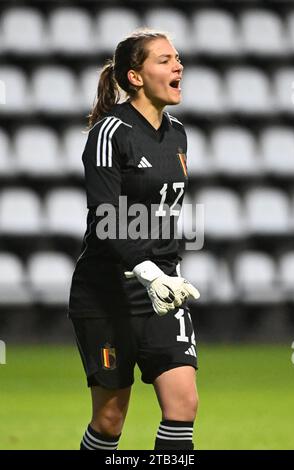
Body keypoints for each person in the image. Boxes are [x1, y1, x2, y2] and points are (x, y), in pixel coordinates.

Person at [68, 28, 200, 451]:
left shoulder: (178, 134)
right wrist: (146, 270)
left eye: (177, 57)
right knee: (110, 419)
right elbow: (106, 215)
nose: (177, 65)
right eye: (164, 59)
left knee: (184, 404)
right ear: (135, 76)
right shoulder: (109, 133)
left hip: (162, 291)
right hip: (107, 294)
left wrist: (166, 272)